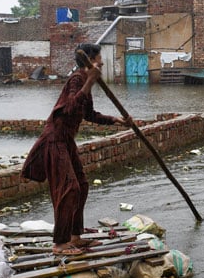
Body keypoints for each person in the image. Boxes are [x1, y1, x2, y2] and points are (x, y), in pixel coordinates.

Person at [21, 43, 131, 255]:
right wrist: (89, 81)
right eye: (99, 59)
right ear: (90, 61)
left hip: (67, 140)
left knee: (82, 184)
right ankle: (60, 244)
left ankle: (75, 237)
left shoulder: (85, 82)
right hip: (55, 139)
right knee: (69, 188)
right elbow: (69, 107)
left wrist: (117, 120)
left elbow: (88, 114)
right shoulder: (77, 79)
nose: (102, 63)